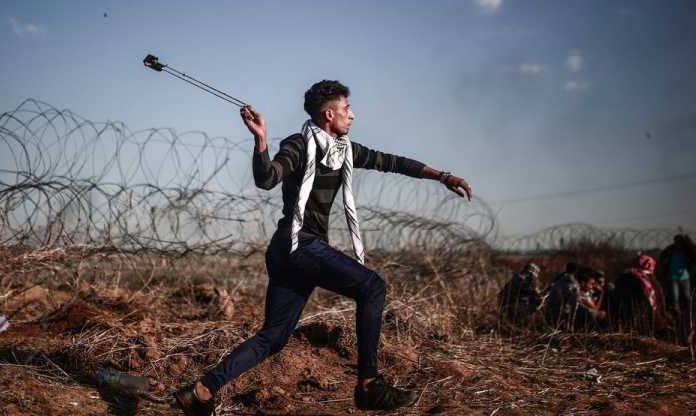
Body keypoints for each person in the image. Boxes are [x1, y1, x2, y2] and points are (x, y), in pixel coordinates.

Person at [173, 80, 473, 414]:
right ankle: (369, 385)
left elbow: (392, 162)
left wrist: (443, 176)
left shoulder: (345, 150)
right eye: (347, 109)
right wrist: (260, 139)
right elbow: (267, 178)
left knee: (273, 338)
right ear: (329, 114)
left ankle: (199, 391)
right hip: (298, 244)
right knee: (373, 286)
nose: (353, 115)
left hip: (291, 251)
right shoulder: (299, 145)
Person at [657, 234, 696, 313]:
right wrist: (664, 265)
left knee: (687, 296)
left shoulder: (687, 251)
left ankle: (689, 313)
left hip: (684, 277)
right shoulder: (670, 250)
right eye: (676, 241)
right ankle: (677, 314)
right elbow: (662, 257)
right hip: (672, 277)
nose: (677, 243)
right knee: (675, 297)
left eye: (679, 241)